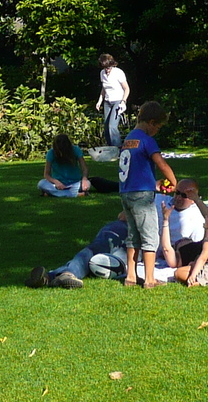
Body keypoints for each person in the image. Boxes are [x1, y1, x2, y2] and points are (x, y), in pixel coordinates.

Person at [118, 101, 180, 289]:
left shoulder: (129, 139)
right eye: (158, 127)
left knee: (133, 235)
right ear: (151, 122)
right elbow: (161, 163)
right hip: (142, 197)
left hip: (126, 192)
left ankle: (130, 276)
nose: (157, 131)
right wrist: (174, 183)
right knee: (150, 235)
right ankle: (150, 279)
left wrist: (154, 184)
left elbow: (136, 170)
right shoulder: (147, 139)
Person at [27, 212, 129, 289]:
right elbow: (123, 215)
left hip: (135, 243)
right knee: (95, 250)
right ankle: (64, 275)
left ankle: (51, 277)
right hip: (125, 230)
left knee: (95, 256)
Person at [39, 133, 91, 198]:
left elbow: (84, 168)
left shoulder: (76, 150)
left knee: (88, 184)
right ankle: (74, 194)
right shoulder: (51, 153)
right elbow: (46, 174)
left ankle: (53, 193)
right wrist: (56, 182)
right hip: (57, 184)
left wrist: (84, 180)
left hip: (75, 183)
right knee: (41, 184)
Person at [97, 53, 130, 148]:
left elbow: (127, 89)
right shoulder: (102, 73)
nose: (107, 70)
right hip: (107, 101)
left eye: (108, 68)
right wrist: (99, 101)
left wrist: (123, 101)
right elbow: (104, 89)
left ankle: (118, 148)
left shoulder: (118, 72)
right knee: (106, 127)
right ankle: (110, 148)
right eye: (105, 68)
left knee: (112, 126)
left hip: (118, 101)